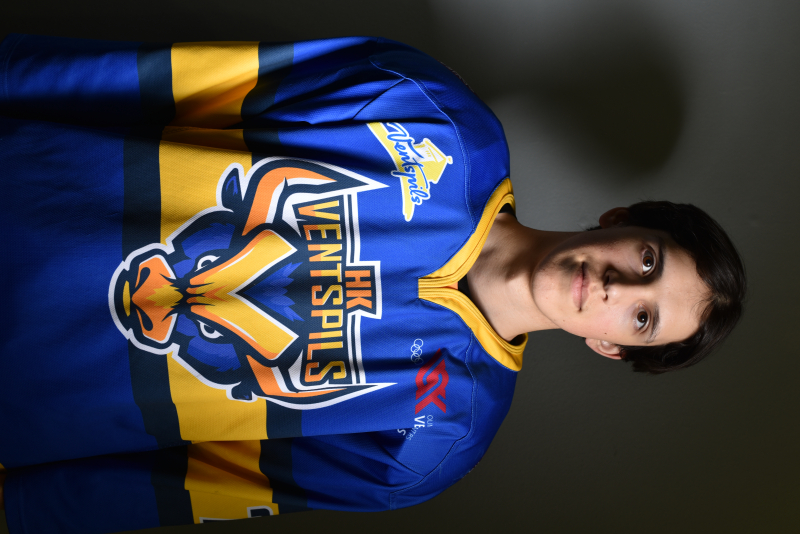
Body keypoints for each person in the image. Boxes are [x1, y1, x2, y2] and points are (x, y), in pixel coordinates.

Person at [0, 34, 744, 533]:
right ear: (621, 220)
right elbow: (184, 82)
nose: (618, 288)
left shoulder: (439, 442)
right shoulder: (436, 119)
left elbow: (204, 482)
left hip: (26, 400)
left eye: (643, 319)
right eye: (648, 260)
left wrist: (19, 506)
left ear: (611, 349)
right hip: (31, 191)